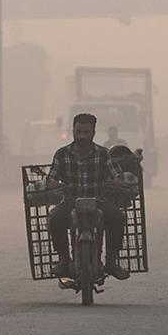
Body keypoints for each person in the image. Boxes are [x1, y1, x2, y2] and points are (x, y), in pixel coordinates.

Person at [46, 113, 130, 280]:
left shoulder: (104, 154)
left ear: (93, 132)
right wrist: (52, 183)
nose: (82, 136)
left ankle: (111, 261)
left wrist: (119, 181)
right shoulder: (61, 154)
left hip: (98, 200)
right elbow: (52, 177)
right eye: (78, 132)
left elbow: (116, 174)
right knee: (55, 217)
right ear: (73, 131)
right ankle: (64, 260)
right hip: (70, 201)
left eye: (86, 132)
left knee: (118, 217)